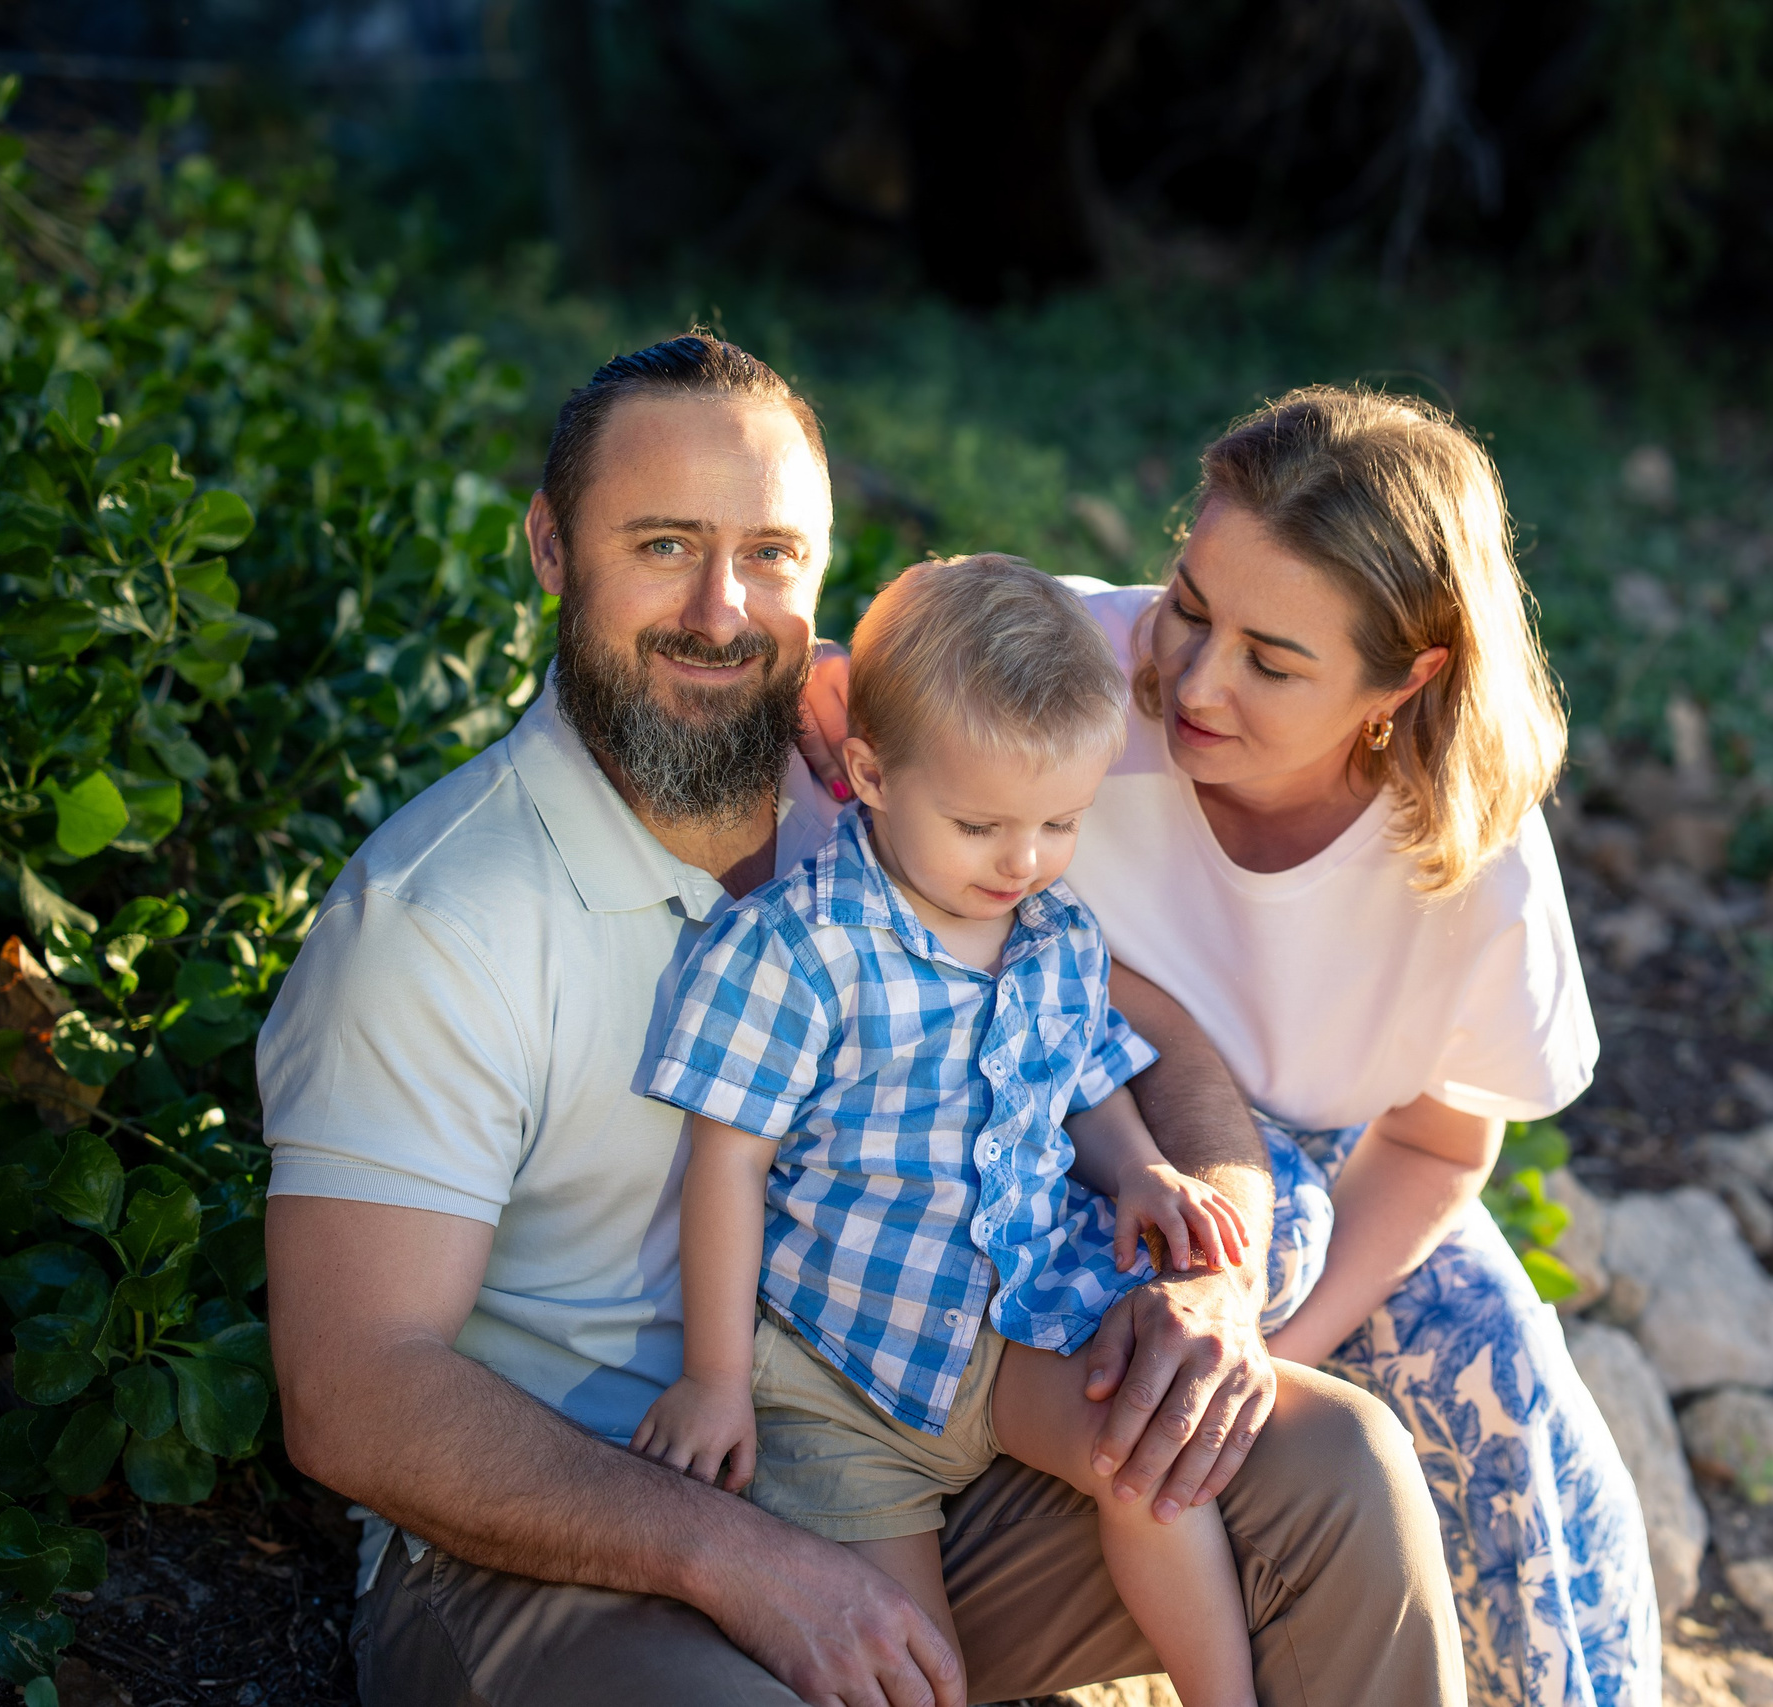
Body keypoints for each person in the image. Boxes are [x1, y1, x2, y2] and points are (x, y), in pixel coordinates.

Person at [256, 336, 1467, 1707]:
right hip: (552, 1551)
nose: (720, 608)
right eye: (663, 544)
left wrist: (1214, 1276)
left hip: (912, 1411)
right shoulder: (438, 919)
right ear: (549, 546)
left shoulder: (887, 791)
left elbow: (1134, 1028)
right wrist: (732, 1553)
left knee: (1329, 1469)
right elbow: (355, 1393)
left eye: (770, 554)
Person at [801, 386, 1663, 1707]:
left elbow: (1439, 1144)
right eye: (1190, 606)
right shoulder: (1061, 666)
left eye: (1273, 660)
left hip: (1309, 1186)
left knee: (1495, 1374)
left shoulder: (1469, 849)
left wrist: (1277, 1345)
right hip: (1045, 1116)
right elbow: (861, 688)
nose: (1196, 683)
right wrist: (816, 680)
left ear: (1407, 678)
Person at [637, 554, 1262, 1707]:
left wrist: (1138, 1168)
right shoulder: (799, 950)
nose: (1023, 862)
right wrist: (714, 1380)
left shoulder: (1053, 930)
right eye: (981, 825)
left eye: (1060, 822)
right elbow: (726, 1168)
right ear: (871, 773)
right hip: (841, 1378)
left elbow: (1076, 1074)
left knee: (1151, 1457)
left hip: (1011, 1319)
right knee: (912, 1668)